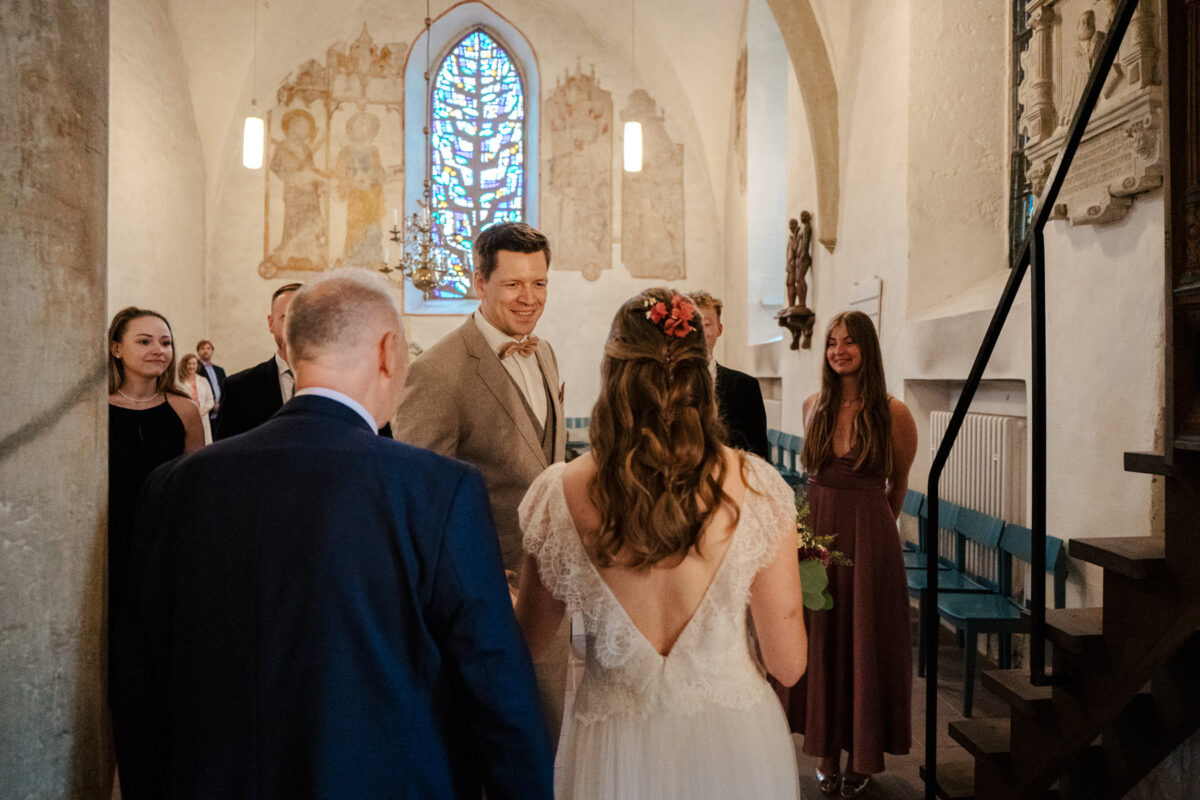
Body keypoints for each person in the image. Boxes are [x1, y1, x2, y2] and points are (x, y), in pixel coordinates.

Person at [110, 269, 554, 800]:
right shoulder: (438, 488)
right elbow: (494, 679)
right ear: (389, 352)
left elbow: (138, 673)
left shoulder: (176, 484)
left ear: (294, 352)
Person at [514, 288, 807, 799]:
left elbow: (528, 643)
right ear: (703, 375)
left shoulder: (558, 492)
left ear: (613, 373)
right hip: (734, 742)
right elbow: (788, 663)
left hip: (613, 745)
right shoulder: (758, 488)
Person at [392, 220, 569, 742]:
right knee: (484, 747)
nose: (529, 298)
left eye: (539, 283)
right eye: (513, 283)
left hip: (549, 589)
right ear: (479, 282)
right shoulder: (439, 371)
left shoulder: (545, 353)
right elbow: (418, 504)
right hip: (478, 601)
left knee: (545, 742)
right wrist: (477, 581)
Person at [782, 310, 918, 797]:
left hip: (869, 536)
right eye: (832, 342)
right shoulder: (812, 405)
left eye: (849, 342)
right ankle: (824, 751)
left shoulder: (893, 411)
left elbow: (898, 481)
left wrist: (877, 531)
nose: (839, 350)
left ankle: (861, 756)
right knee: (822, 637)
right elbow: (811, 479)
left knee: (864, 642)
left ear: (867, 349)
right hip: (818, 532)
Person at [107, 307, 204, 617]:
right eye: (145, 341)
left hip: (165, 540)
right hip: (107, 537)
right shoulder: (95, 409)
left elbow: (195, 486)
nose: (159, 350)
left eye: (166, 342)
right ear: (117, 348)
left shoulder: (184, 409)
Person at [689, 290, 769, 460]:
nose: (699, 332)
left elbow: (759, 452)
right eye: (693, 324)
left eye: (707, 324)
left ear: (719, 329)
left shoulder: (745, 387)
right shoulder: (670, 383)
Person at [176, 353, 214, 444]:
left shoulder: (203, 380)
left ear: (197, 365)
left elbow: (210, 399)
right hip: (187, 419)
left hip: (203, 417)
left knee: (206, 444)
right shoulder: (179, 382)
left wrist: (206, 409)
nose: (191, 366)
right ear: (184, 365)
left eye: (194, 364)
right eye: (189, 364)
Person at [195, 339, 225, 423]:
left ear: (212, 351)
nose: (206, 351)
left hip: (219, 412)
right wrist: (211, 406)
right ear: (198, 351)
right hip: (204, 412)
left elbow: (224, 389)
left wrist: (221, 405)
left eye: (208, 348)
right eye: (202, 348)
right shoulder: (195, 369)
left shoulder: (219, 370)